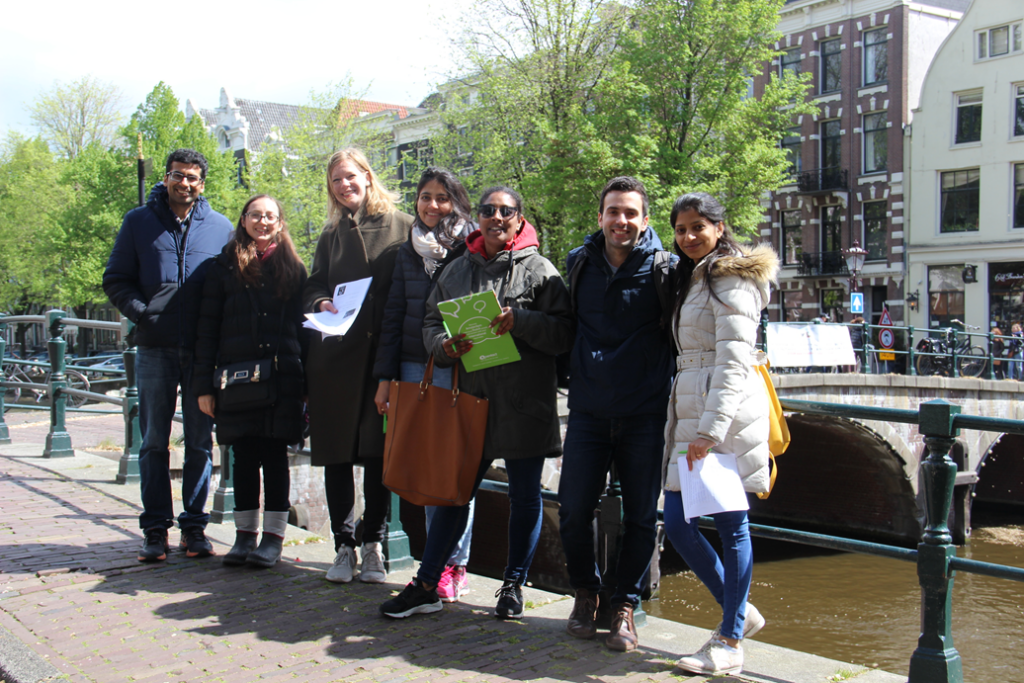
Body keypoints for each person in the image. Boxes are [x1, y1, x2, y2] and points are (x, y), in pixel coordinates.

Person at [379, 186, 573, 620]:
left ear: (520, 220)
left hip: (524, 402)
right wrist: (445, 346)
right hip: (470, 403)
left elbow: (564, 335)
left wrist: (520, 321)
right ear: (479, 218)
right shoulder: (455, 270)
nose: (496, 217)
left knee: (525, 497)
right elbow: (430, 322)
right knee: (452, 495)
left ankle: (513, 585)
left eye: (507, 211)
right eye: (489, 210)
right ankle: (428, 584)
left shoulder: (541, 271)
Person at [557, 176, 676, 652]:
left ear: (644, 220)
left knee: (643, 517)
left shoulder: (666, 270)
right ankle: (587, 593)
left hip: (644, 412)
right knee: (572, 510)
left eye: (630, 213)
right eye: (613, 212)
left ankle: (624, 605)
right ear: (600, 216)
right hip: (587, 409)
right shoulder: (579, 263)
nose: (621, 221)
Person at [662, 192, 777, 676]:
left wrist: (710, 430)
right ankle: (741, 613)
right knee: (677, 520)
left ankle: (729, 639)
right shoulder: (698, 275)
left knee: (732, 526)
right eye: (682, 229)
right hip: (692, 406)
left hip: (720, 415)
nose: (689, 236)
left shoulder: (730, 275)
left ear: (719, 226)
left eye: (698, 227)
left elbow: (734, 359)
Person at [103, 149, 234, 562]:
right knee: (154, 441)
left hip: (201, 352)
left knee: (199, 441)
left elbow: (231, 285)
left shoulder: (220, 228)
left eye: (193, 178)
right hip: (155, 348)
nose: (185, 183)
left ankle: (194, 527)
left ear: (202, 184)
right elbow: (116, 279)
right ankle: (155, 528)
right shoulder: (138, 222)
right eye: (178, 175)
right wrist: (145, 316)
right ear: (166, 177)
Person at [303, 148, 414, 584]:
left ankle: (374, 544)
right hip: (335, 360)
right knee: (336, 454)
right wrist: (319, 301)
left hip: (380, 359)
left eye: (351, 176)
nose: (344, 185)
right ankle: (343, 546)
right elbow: (313, 282)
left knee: (376, 455)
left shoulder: (403, 226)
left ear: (367, 177)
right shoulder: (330, 234)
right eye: (336, 181)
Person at [372, 167, 476, 602]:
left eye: (442, 197)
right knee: (431, 470)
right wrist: (385, 379)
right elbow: (393, 316)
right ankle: (439, 560)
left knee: (457, 468)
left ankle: (455, 565)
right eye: (425, 197)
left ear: (456, 201)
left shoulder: (471, 246)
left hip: (461, 366)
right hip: (416, 368)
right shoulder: (406, 251)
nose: (433, 205)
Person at [192, 195, 309, 568]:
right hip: (237, 379)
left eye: (270, 216)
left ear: (280, 222)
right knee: (241, 456)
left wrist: (307, 385)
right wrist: (203, 387)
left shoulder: (293, 267)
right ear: (243, 221)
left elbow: (305, 332)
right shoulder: (221, 268)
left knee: (275, 456)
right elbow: (206, 329)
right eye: (255, 215)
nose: (262, 222)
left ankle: (272, 539)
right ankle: (244, 537)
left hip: (281, 379)